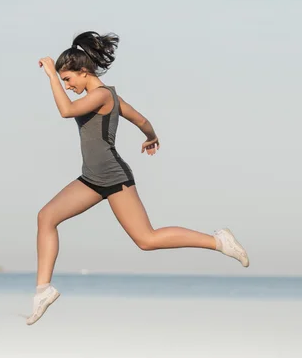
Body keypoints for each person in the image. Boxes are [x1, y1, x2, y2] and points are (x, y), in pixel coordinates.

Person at [27, 31, 249, 325]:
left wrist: (51, 76)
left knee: (147, 239)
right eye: (63, 81)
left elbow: (67, 111)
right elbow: (141, 120)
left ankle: (218, 240)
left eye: (68, 79)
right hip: (92, 179)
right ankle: (43, 290)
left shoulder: (103, 95)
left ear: (83, 72)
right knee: (46, 217)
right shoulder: (109, 97)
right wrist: (151, 136)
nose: (67, 86)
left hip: (114, 177)